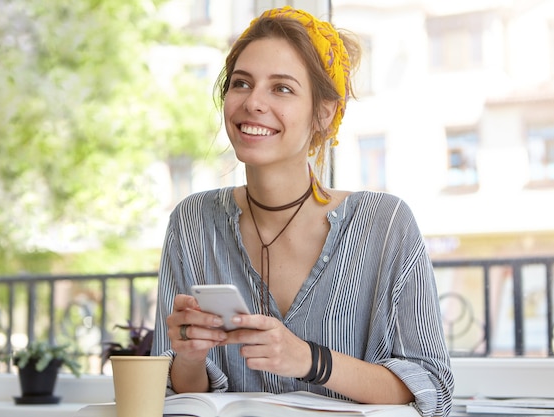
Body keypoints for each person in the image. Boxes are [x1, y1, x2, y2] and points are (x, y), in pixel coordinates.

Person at [152, 6, 454, 417]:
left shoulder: (385, 224)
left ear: (324, 113)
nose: (253, 103)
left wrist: (310, 360)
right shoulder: (192, 222)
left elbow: (432, 388)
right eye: (241, 83)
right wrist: (189, 356)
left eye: (282, 88)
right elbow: (177, 395)